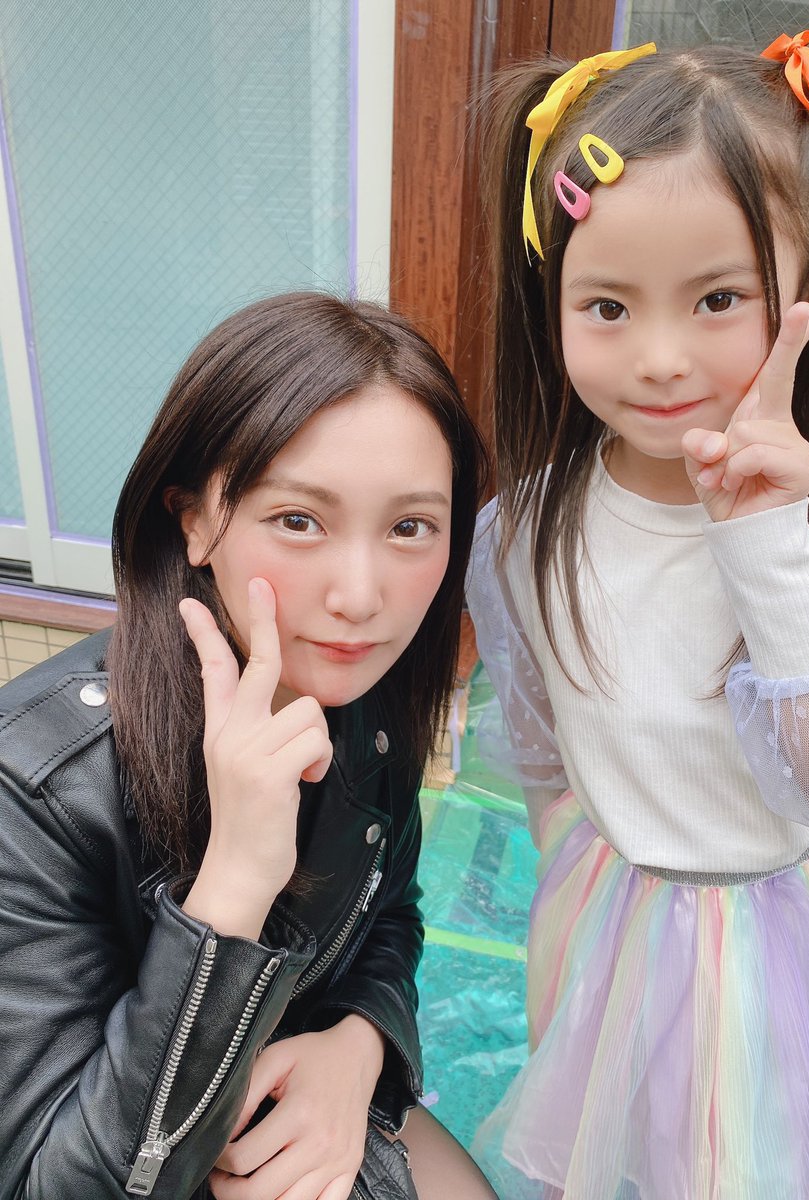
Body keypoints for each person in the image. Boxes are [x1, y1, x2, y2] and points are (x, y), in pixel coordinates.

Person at [466, 28, 809, 1200]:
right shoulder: (525, 528)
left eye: (717, 298)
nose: (660, 359)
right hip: (611, 922)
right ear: (551, 298)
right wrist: (582, 886)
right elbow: (541, 745)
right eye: (607, 305)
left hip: (786, 950)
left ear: (807, 288)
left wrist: (765, 539)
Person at [0, 292, 498, 1200]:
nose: (361, 596)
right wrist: (232, 885)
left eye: (410, 528)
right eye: (299, 520)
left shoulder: (365, 704)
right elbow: (55, 1180)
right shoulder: (36, 788)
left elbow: (389, 912)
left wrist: (358, 1048)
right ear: (193, 520)